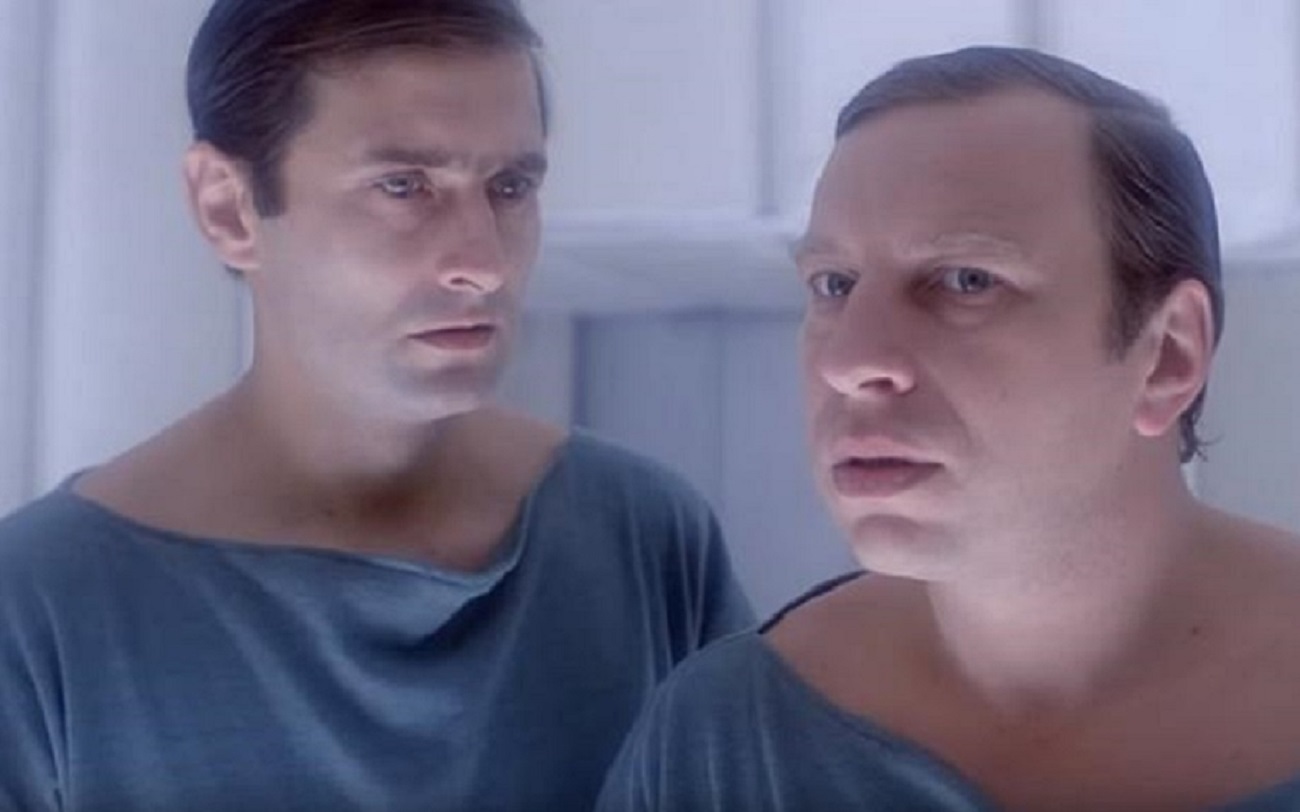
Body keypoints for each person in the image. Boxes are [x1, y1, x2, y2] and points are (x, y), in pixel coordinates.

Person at [0, 1, 754, 810]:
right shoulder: (38, 609)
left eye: (510, 186)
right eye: (403, 186)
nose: (483, 262)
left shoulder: (641, 537)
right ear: (228, 206)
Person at [598, 46, 1300, 811]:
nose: (851, 361)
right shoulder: (724, 742)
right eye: (833, 284)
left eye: (968, 281)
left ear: (1167, 354)